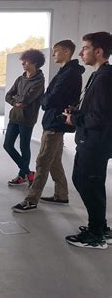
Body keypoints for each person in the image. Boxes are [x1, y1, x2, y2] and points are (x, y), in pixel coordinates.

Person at [12, 40, 84, 212]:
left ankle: (31, 199)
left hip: (55, 123)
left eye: (56, 51)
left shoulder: (70, 73)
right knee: (54, 162)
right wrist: (46, 99)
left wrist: (44, 101)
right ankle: (61, 194)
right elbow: (49, 96)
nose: (53, 55)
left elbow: (50, 98)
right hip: (55, 121)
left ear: (66, 52)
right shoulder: (67, 71)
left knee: (42, 161)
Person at [63, 32, 112, 249]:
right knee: (93, 184)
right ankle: (101, 228)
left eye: (85, 48)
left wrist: (74, 118)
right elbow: (96, 109)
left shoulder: (104, 78)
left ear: (99, 51)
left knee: (85, 182)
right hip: (94, 141)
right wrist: (77, 111)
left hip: (94, 142)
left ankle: (95, 235)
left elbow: (100, 117)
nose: (82, 52)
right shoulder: (99, 74)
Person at [4, 49, 45, 186]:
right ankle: (28, 172)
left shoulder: (39, 81)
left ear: (35, 63)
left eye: (26, 61)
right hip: (14, 116)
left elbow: (27, 99)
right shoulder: (20, 79)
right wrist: (15, 102)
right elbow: (8, 96)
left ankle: (22, 175)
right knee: (7, 145)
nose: (23, 63)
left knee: (24, 147)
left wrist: (18, 100)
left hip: (27, 119)